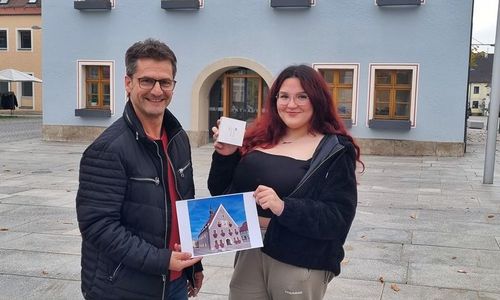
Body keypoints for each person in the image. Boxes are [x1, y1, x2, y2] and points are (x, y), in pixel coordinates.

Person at [208, 65, 363, 300]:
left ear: (317, 100)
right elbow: (221, 192)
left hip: (299, 258)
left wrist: (284, 207)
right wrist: (226, 156)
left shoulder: (335, 149)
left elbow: (338, 217)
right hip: (249, 252)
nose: (291, 104)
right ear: (275, 100)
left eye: (302, 96)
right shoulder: (258, 138)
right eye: (284, 96)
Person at [76, 38, 203, 300]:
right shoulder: (107, 149)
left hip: (175, 283)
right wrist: (162, 259)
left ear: (173, 86)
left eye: (165, 82)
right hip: (122, 286)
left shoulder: (178, 139)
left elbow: (185, 206)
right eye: (147, 81)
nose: (157, 90)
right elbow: (97, 226)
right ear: (128, 83)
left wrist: (194, 265)